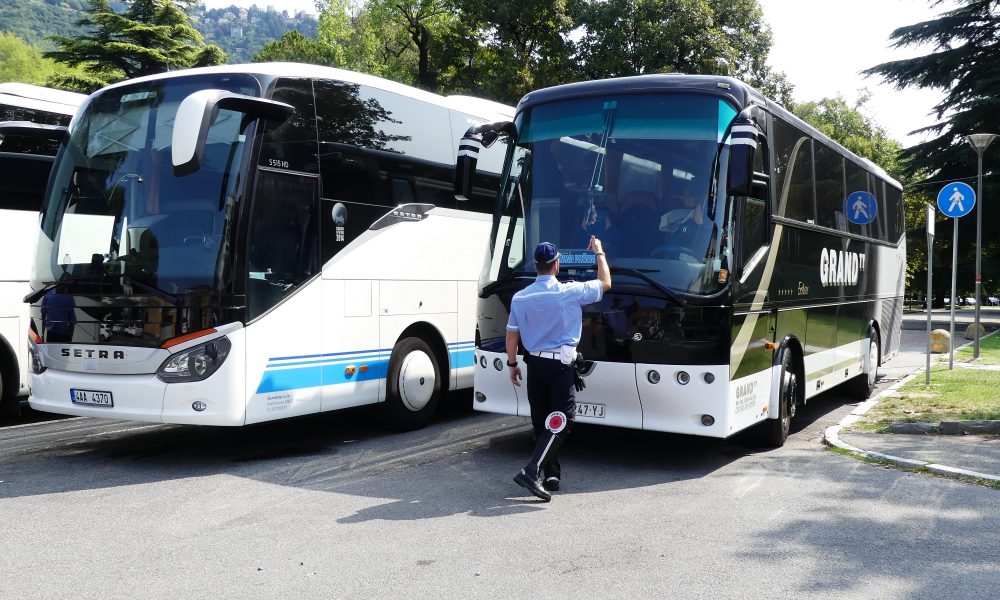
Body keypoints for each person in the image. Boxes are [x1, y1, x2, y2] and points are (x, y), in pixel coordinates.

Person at [506, 236, 612, 501]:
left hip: (535, 365)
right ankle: (532, 471)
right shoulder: (569, 291)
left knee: (541, 421)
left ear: (535, 265)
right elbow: (606, 283)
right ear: (556, 265)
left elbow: (511, 336)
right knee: (562, 421)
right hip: (559, 367)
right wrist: (599, 252)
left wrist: (512, 364)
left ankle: (550, 473)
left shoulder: (520, 297)